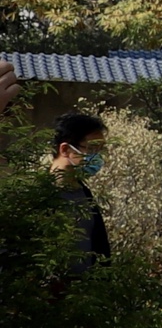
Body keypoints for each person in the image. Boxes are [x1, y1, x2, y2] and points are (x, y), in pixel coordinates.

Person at [48, 111, 109, 267]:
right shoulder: (39, 197)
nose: (97, 157)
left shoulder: (85, 194)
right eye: (91, 148)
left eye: (100, 150)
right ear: (65, 150)